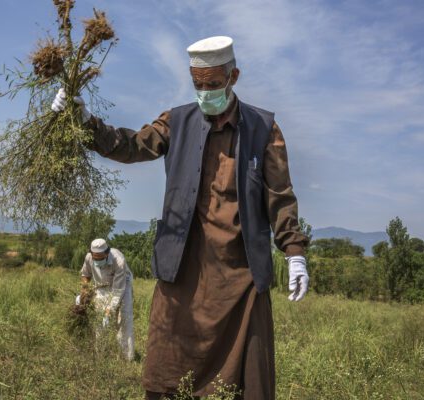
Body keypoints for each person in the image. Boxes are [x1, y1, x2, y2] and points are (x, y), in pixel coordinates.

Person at [53, 36, 309, 399]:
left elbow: (279, 196)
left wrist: (294, 251)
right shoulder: (177, 122)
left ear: (233, 76)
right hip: (182, 270)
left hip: (240, 278)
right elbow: (129, 145)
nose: (205, 92)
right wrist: (82, 120)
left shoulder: (263, 129)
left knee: (247, 381)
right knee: (167, 372)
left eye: (213, 84)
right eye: (198, 84)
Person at [78, 238, 135, 361]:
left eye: (101, 258)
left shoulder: (119, 261)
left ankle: (126, 357)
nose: (98, 261)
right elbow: (85, 275)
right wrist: (84, 290)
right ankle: (101, 355)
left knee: (124, 318)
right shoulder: (89, 257)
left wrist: (109, 312)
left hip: (122, 286)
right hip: (101, 285)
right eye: (95, 258)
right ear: (91, 254)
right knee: (99, 319)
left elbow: (117, 292)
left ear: (107, 253)